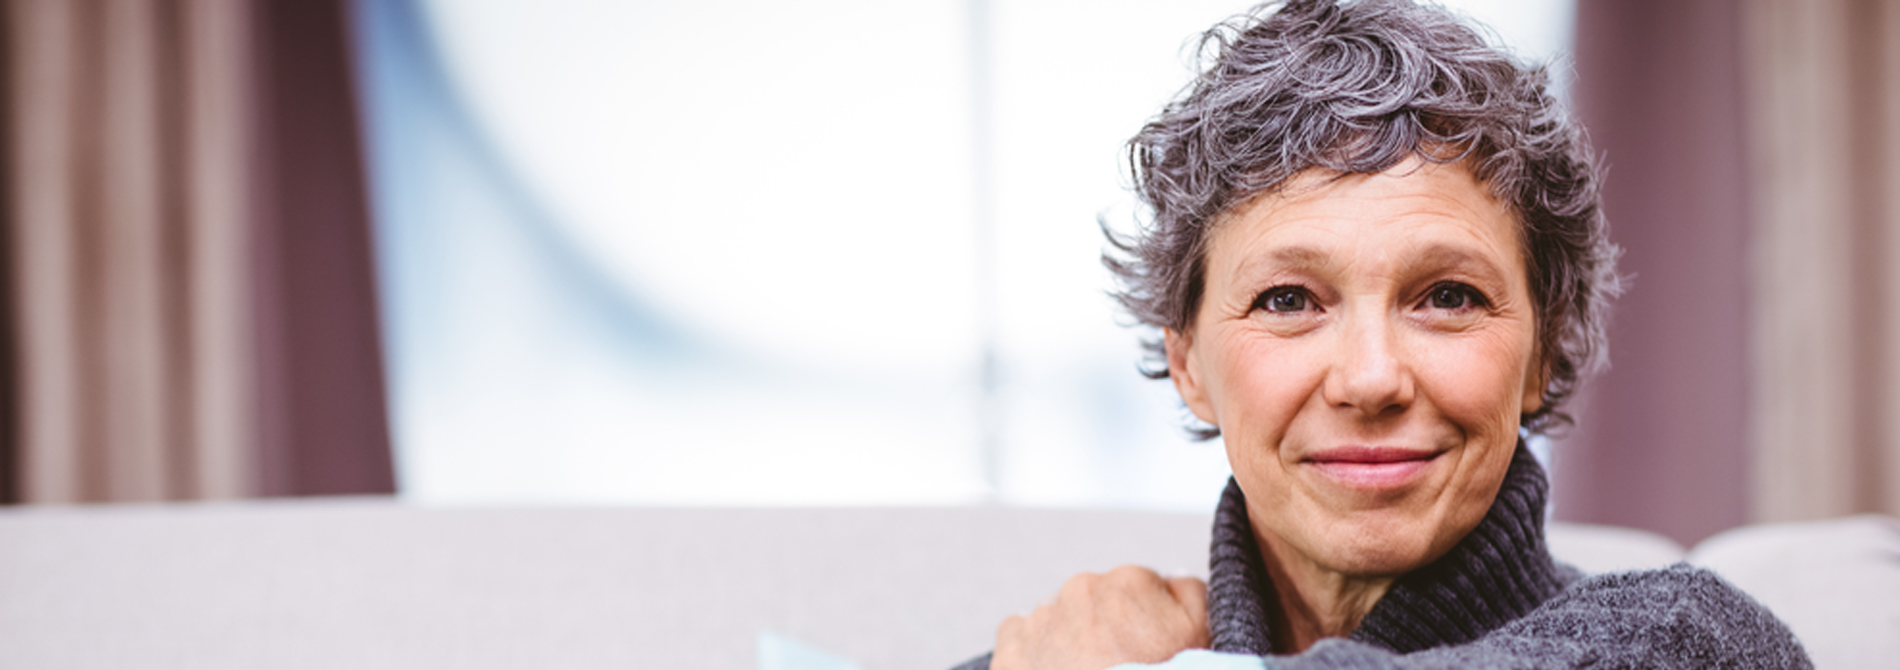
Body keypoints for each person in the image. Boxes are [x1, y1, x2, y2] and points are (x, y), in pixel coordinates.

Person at [953, 1, 1812, 668]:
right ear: (1188, 364)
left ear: (1542, 356)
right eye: (1289, 300)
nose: (1370, 379)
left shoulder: (1688, 642)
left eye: (1447, 295)